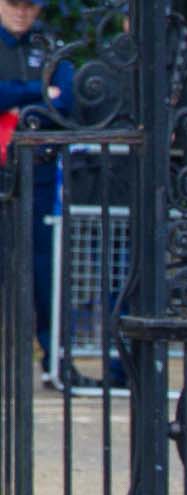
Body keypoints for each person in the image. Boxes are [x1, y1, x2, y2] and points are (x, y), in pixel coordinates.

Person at [0, 0, 75, 378]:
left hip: (38, 172)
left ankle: (55, 359)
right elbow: (48, 96)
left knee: (44, 269)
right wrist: (35, 91)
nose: (22, 12)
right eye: (14, 4)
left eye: (30, 5)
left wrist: (15, 96)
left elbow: (69, 99)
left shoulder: (48, 46)